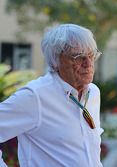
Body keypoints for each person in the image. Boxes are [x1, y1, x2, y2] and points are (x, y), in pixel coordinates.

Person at [0, 24, 103, 167]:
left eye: (92, 55)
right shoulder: (35, 96)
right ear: (56, 61)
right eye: (78, 57)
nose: (88, 63)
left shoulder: (93, 92)